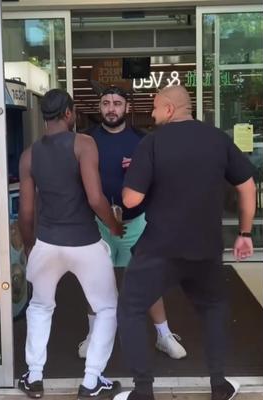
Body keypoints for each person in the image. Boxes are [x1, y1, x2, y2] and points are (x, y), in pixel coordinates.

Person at [114, 85, 256, 400]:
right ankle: (219, 385)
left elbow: (131, 198)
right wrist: (245, 234)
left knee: (131, 308)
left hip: (160, 247)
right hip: (206, 247)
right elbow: (247, 186)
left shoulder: (151, 143)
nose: (151, 115)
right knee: (214, 308)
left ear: (168, 109)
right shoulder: (218, 139)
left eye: (154, 108)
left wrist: (131, 183)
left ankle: (143, 391)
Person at [18, 88, 123, 399]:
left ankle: (34, 377)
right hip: (84, 242)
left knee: (39, 306)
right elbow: (95, 198)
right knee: (106, 307)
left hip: (47, 242)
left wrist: (29, 247)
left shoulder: (29, 155)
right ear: (68, 113)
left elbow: (26, 212)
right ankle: (91, 381)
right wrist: (115, 227)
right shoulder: (84, 144)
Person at [78, 86, 186, 360]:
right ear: (99, 107)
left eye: (116, 103)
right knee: (95, 282)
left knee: (147, 280)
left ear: (127, 107)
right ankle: (93, 335)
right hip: (98, 222)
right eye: (105, 103)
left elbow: (163, 179)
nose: (111, 108)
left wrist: (138, 169)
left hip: (136, 222)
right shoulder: (85, 140)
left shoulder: (144, 140)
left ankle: (164, 335)